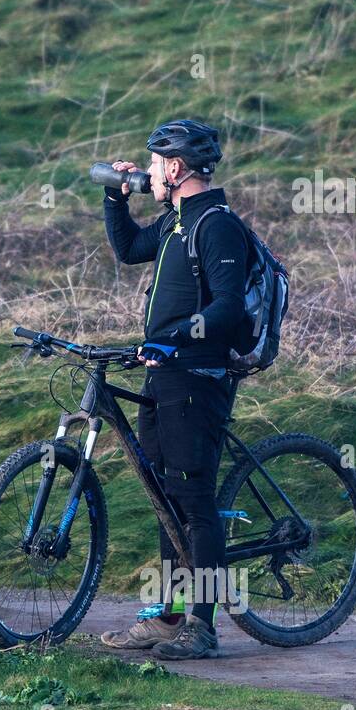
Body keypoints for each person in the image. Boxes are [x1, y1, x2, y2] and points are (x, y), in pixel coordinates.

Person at [98, 119, 248, 660]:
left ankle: (201, 627)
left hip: (198, 376)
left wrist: (177, 338)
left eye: (155, 165)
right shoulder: (174, 222)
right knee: (165, 495)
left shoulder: (217, 225)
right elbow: (129, 248)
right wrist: (116, 197)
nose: (150, 173)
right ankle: (166, 616)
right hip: (163, 371)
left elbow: (227, 307)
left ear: (176, 168)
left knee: (193, 499)